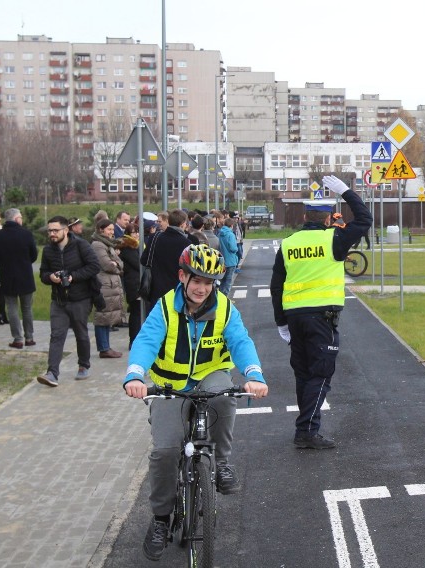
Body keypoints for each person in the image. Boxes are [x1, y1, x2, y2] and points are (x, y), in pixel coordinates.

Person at [122, 244, 268, 561]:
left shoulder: (225, 309)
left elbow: (241, 341)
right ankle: (161, 519)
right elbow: (145, 342)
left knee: (226, 395)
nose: (202, 287)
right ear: (182, 277)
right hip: (169, 385)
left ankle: (222, 464)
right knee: (165, 451)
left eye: (209, 281)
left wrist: (254, 375)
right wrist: (135, 376)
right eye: (197, 279)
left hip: (209, 374)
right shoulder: (164, 308)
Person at [270, 175, 372, 449]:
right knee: (321, 374)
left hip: (294, 318)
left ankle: (305, 429)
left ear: (305, 217)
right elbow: (364, 220)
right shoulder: (334, 240)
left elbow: (276, 286)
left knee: (304, 375)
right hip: (321, 320)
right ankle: (306, 431)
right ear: (328, 219)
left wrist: (281, 322)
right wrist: (347, 192)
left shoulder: (288, 244)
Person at [37, 215, 101, 386]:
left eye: (55, 230)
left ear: (65, 230)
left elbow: (94, 266)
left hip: (80, 299)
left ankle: (83, 365)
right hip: (58, 300)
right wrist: (50, 277)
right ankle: (52, 373)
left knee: (81, 333)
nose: (52, 233)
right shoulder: (48, 250)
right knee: (56, 335)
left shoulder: (81, 245)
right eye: (50, 230)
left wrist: (74, 277)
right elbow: (43, 273)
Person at [0, 208, 38, 349]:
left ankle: (17, 339)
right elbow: (34, 255)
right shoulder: (26, 234)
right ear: (17, 219)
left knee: (11, 307)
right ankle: (29, 338)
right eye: (21, 217)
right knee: (27, 308)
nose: (22, 219)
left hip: (7, 276)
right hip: (25, 276)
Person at [140, 208, 191, 314]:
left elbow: (144, 260)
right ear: (182, 224)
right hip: (177, 292)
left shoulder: (155, 238)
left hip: (156, 290)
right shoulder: (187, 244)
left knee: (157, 323)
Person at [91, 218, 125, 358]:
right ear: (101, 229)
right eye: (109, 229)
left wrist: (117, 264)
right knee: (102, 315)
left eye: (112, 229)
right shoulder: (98, 245)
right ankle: (104, 348)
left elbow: (119, 263)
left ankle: (106, 346)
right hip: (104, 285)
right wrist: (116, 265)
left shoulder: (107, 244)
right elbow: (108, 265)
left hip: (110, 284)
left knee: (107, 316)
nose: (112, 232)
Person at [118, 224, 142, 347]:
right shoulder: (128, 248)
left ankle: (136, 340)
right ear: (128, 234)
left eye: (137, 232)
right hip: (134, 285)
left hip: (137, 283)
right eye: (133, 232)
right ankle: (133, 341)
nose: (136, 234)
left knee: (138, 312)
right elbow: (138, 264)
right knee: (136, 313)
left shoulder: (136, 246)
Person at [217, 216, 239, 295]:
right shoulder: (230, 235)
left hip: (222, 260)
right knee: (228, 280)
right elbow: (233, 248)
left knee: (222, 280)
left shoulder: (219, 233)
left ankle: (220, 295)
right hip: (230, 260)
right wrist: (236, 249)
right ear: (231, 225)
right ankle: (225, 297)